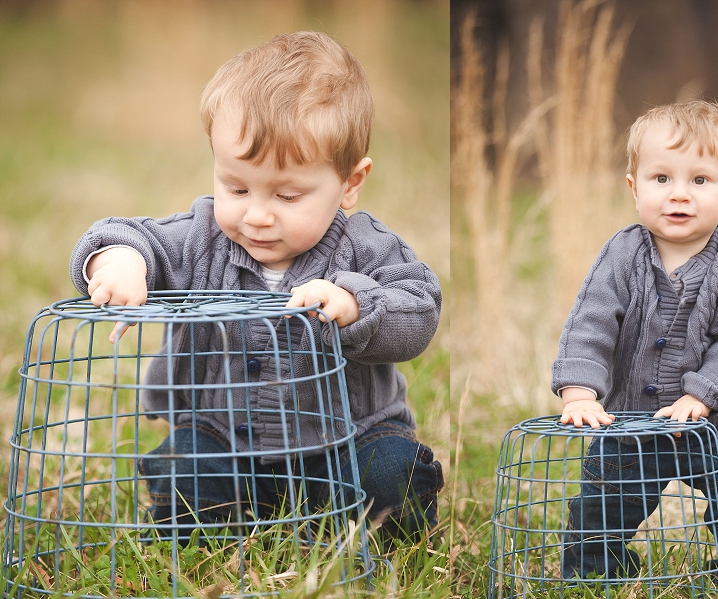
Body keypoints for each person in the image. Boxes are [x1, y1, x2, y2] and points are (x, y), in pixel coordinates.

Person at [69, 31, 443, 542]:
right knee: (185, 472)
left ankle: (352, 525)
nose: (258, 215)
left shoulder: (367, 247)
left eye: (288, 195)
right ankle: (227, 522)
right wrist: (121, 263)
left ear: (350, 183)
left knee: (390, 474)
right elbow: (129, 235)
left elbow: (419, 307)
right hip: (223, 440)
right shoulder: (202, 236)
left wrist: (357, 304)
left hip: (347, 444)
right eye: (237, 187)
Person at [553, 100, 718, 589]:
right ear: (635, 189)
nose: (679, 194)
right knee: (601, 507)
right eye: (662, 179)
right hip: (632, 420)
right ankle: (596, 575)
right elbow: (590, 323)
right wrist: (579, 389)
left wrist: (700, 396)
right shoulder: (622, 253)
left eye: (700, 180)